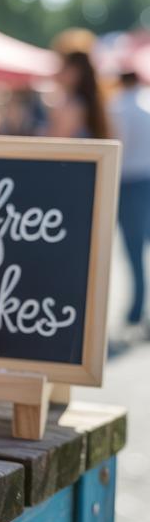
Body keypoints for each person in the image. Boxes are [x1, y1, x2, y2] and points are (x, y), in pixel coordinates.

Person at [111, 70, 150, 333]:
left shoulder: (116, 106)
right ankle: (138, 311)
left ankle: (137, 310)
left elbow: (117, 146)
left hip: (128, 183)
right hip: (144, 179)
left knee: (134, 250)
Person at [46, 31, 109, 139]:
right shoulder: (84, 102)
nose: (56, 71)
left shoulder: (74, 107)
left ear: (74, 72)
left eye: (60, 65)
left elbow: (54, 144)